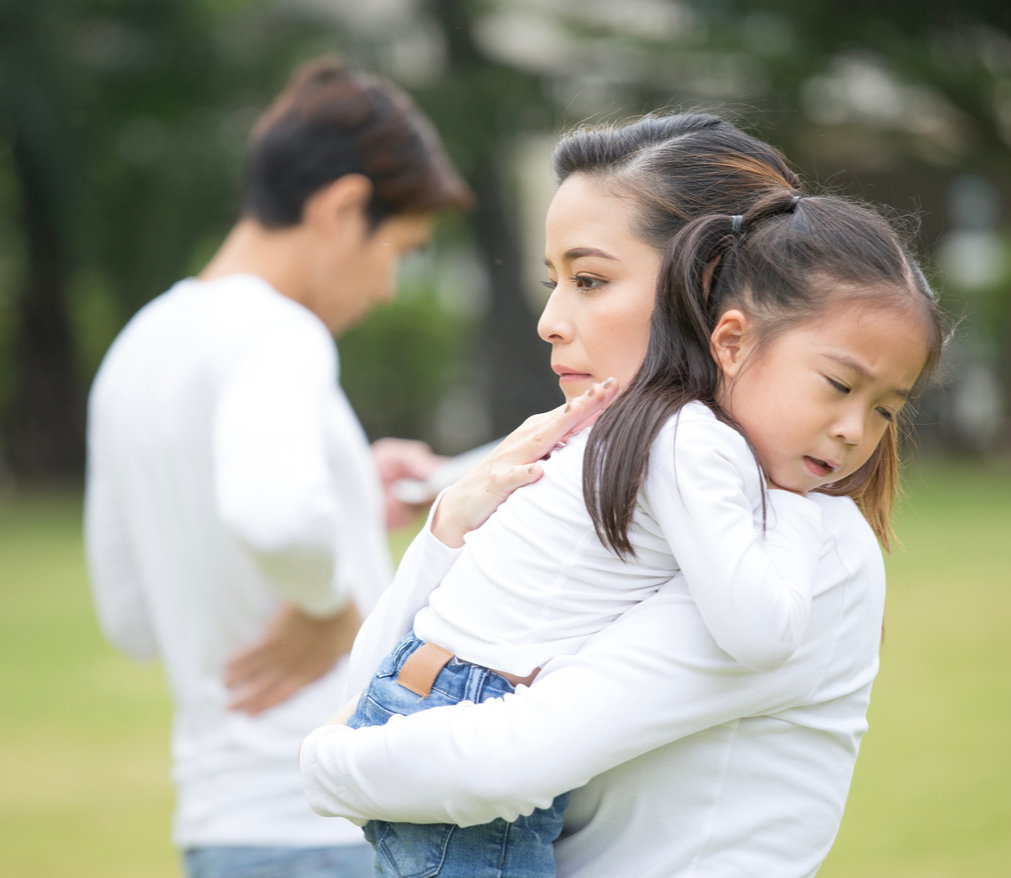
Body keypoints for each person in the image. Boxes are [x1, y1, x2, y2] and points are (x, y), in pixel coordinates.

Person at [300, 115, 945, 878]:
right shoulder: (632, 486)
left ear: (703, 294)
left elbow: (507, 759)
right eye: (554, 282)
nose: (549, 321)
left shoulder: (804, 546)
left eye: (591, 280)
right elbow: (394, 683)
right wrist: (449, 526)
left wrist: (321, 766)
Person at [84, 60, 471, 878]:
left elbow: (132, 618)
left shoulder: (138, 348)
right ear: (342, 208)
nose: (388, 286)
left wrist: (346, 492)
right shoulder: (281, 332)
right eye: (397, 249)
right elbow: (277, 518)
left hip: (221, 830)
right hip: (328, 830)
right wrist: (327, 602)